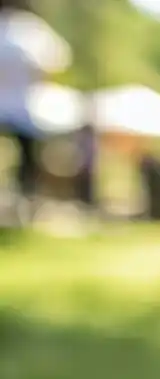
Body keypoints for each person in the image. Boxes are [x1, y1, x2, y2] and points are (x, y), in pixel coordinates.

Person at [0, 1, 42, 217]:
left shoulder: (25, 30)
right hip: (20, 109)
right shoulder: (27, 31)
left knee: (25, 159)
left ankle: (24, 201)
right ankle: (25, 201)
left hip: (16, 109)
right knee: (26, 160)